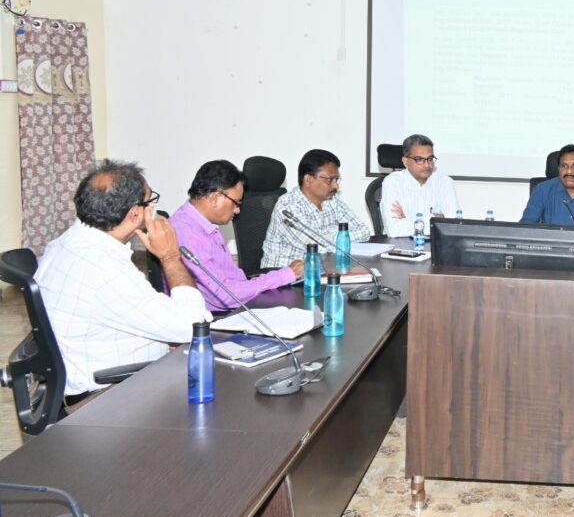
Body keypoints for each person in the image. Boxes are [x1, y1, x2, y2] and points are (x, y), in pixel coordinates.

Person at [35, 160, 211, 397]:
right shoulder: (104, 269)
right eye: (150, 201)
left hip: (92, 369)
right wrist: (170, 257)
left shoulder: (66, 243)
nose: (153, 208)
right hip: (109, 395)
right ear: (135, 214)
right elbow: (194, 328)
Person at [170, 159, 303, 310]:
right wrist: (283, 275)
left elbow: (233, 279)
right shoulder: (186, 233)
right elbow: (225, 296)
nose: (237, 210)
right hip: (218, 317)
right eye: (236, 203)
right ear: (214, 198)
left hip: (240, 303)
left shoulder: (203, 224)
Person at [261, 149, 371, 268]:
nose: (335, 186)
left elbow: (364, 231)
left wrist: (327, 236)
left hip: (322, 268)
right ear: (308, 179)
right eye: (330, 180)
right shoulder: (288, 206)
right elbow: (319, 247)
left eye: (337, 180)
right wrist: (339, 236)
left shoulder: (333, 200)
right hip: (285, 274)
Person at [380, 134, 460, 238]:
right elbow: (393, 230)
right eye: (419, 159)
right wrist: (435, 218)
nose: (426, 165)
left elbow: (453, 225)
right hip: (400, 243)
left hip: (434, 243)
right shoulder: (393, 182)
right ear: (406, 162)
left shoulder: (444, 182)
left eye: (430, 159)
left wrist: (406, 220)